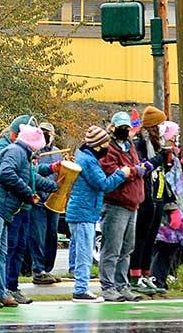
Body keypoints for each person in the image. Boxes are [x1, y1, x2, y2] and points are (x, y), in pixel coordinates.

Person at [0, 123, 55, 309]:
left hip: (3, 207)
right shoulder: (16, 151)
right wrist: (28, 194)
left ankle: (0, 292)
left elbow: (33, 179)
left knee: (1, 251)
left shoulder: (23, 155)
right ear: (34, 144)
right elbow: (6, 173)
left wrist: (56, 186)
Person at [66, 125, 132, 302]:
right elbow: (103, 184)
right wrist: (121, 174)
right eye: (105, 144)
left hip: (85, 211)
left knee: (84, 250)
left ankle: (82, 287)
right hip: (83, 212)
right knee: (84, 252)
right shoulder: (88, 161)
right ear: (97, 146)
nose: (107, 148)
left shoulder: (86, 157)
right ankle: (81, 289)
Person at [99, 111, 148, 303]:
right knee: (112, 247)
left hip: (132, 203)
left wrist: (135, 170)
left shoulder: (130, 147)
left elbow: (132, 169)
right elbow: (114, 172)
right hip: (116, 204)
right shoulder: (108, 149)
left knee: (127, 248)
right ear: (113, 127)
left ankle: (122, 284)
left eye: (127, 127)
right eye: (121, 127)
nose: (125, 130)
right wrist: (136, 171)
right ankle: (108, 286)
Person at [130, 106, 168, 294]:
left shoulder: (158, 145)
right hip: (144, 197)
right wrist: (160, 159)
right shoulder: (139, 145)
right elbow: (143, 168)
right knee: (140, 238)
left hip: (157, 196)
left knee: (150, 238)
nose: (162, 128)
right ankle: (135, 276)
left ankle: (146, 274)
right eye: (160, 124)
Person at [150, 122, 183, 292]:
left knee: (171, 246)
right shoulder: (162, 158)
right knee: (162, 246)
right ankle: (156, 279)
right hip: (164, 210)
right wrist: (171, 208)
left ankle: (162, 279)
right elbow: (163, 183)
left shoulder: (174, 158)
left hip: (176, 207)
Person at [29, 122, 63, 286]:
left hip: (54, 199)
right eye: (42, 132)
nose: (45, 135)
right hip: (38, 200)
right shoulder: (33, 151)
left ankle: (47, 269)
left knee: (52, 235)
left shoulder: (57, 153)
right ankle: (38, 270)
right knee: (38, 235)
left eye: (47, 133)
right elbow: (36, 171)